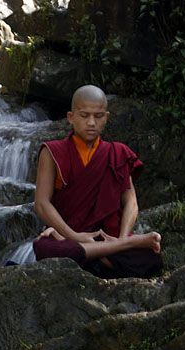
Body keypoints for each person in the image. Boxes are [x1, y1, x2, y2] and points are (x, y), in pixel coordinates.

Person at [33, 84, 163, 278]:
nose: (91, 122)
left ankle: (104, 252)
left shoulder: (117, 153)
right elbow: (41, 204)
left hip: (108, 237)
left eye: (99, 116)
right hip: (69, 236)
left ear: (107, 118)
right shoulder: (52, 152)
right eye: (84, 115)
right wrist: (73, 235)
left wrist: (120, 237)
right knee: (44, 247)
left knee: (152, 259)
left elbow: (131, 202)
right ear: (71, 117)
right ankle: (112, 253)